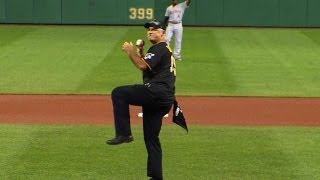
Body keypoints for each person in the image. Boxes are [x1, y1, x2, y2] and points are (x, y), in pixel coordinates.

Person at [106, 20, 176, 180]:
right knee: (151, 138)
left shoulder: (159, 48)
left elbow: (143, 66)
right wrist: (141, 52)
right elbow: (147, 66)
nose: (150, 32)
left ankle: (124, 133)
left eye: (155, 30)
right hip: (164, 98)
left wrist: (131, 51)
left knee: (119, 93)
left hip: (156, 92)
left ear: (163, 33)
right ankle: (156, 177)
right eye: (149, 30)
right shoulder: (164, 49)